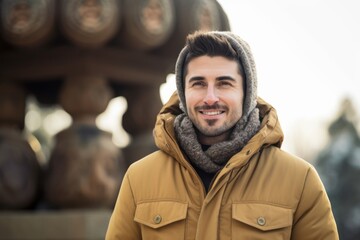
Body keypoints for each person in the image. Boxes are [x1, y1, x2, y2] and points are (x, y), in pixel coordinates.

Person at [106, 31, 339, 239]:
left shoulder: (299, 180)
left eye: (224, 83)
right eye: (198, 83)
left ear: (247, 94)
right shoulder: (139, 179)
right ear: (184, 93)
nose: (210, 97)